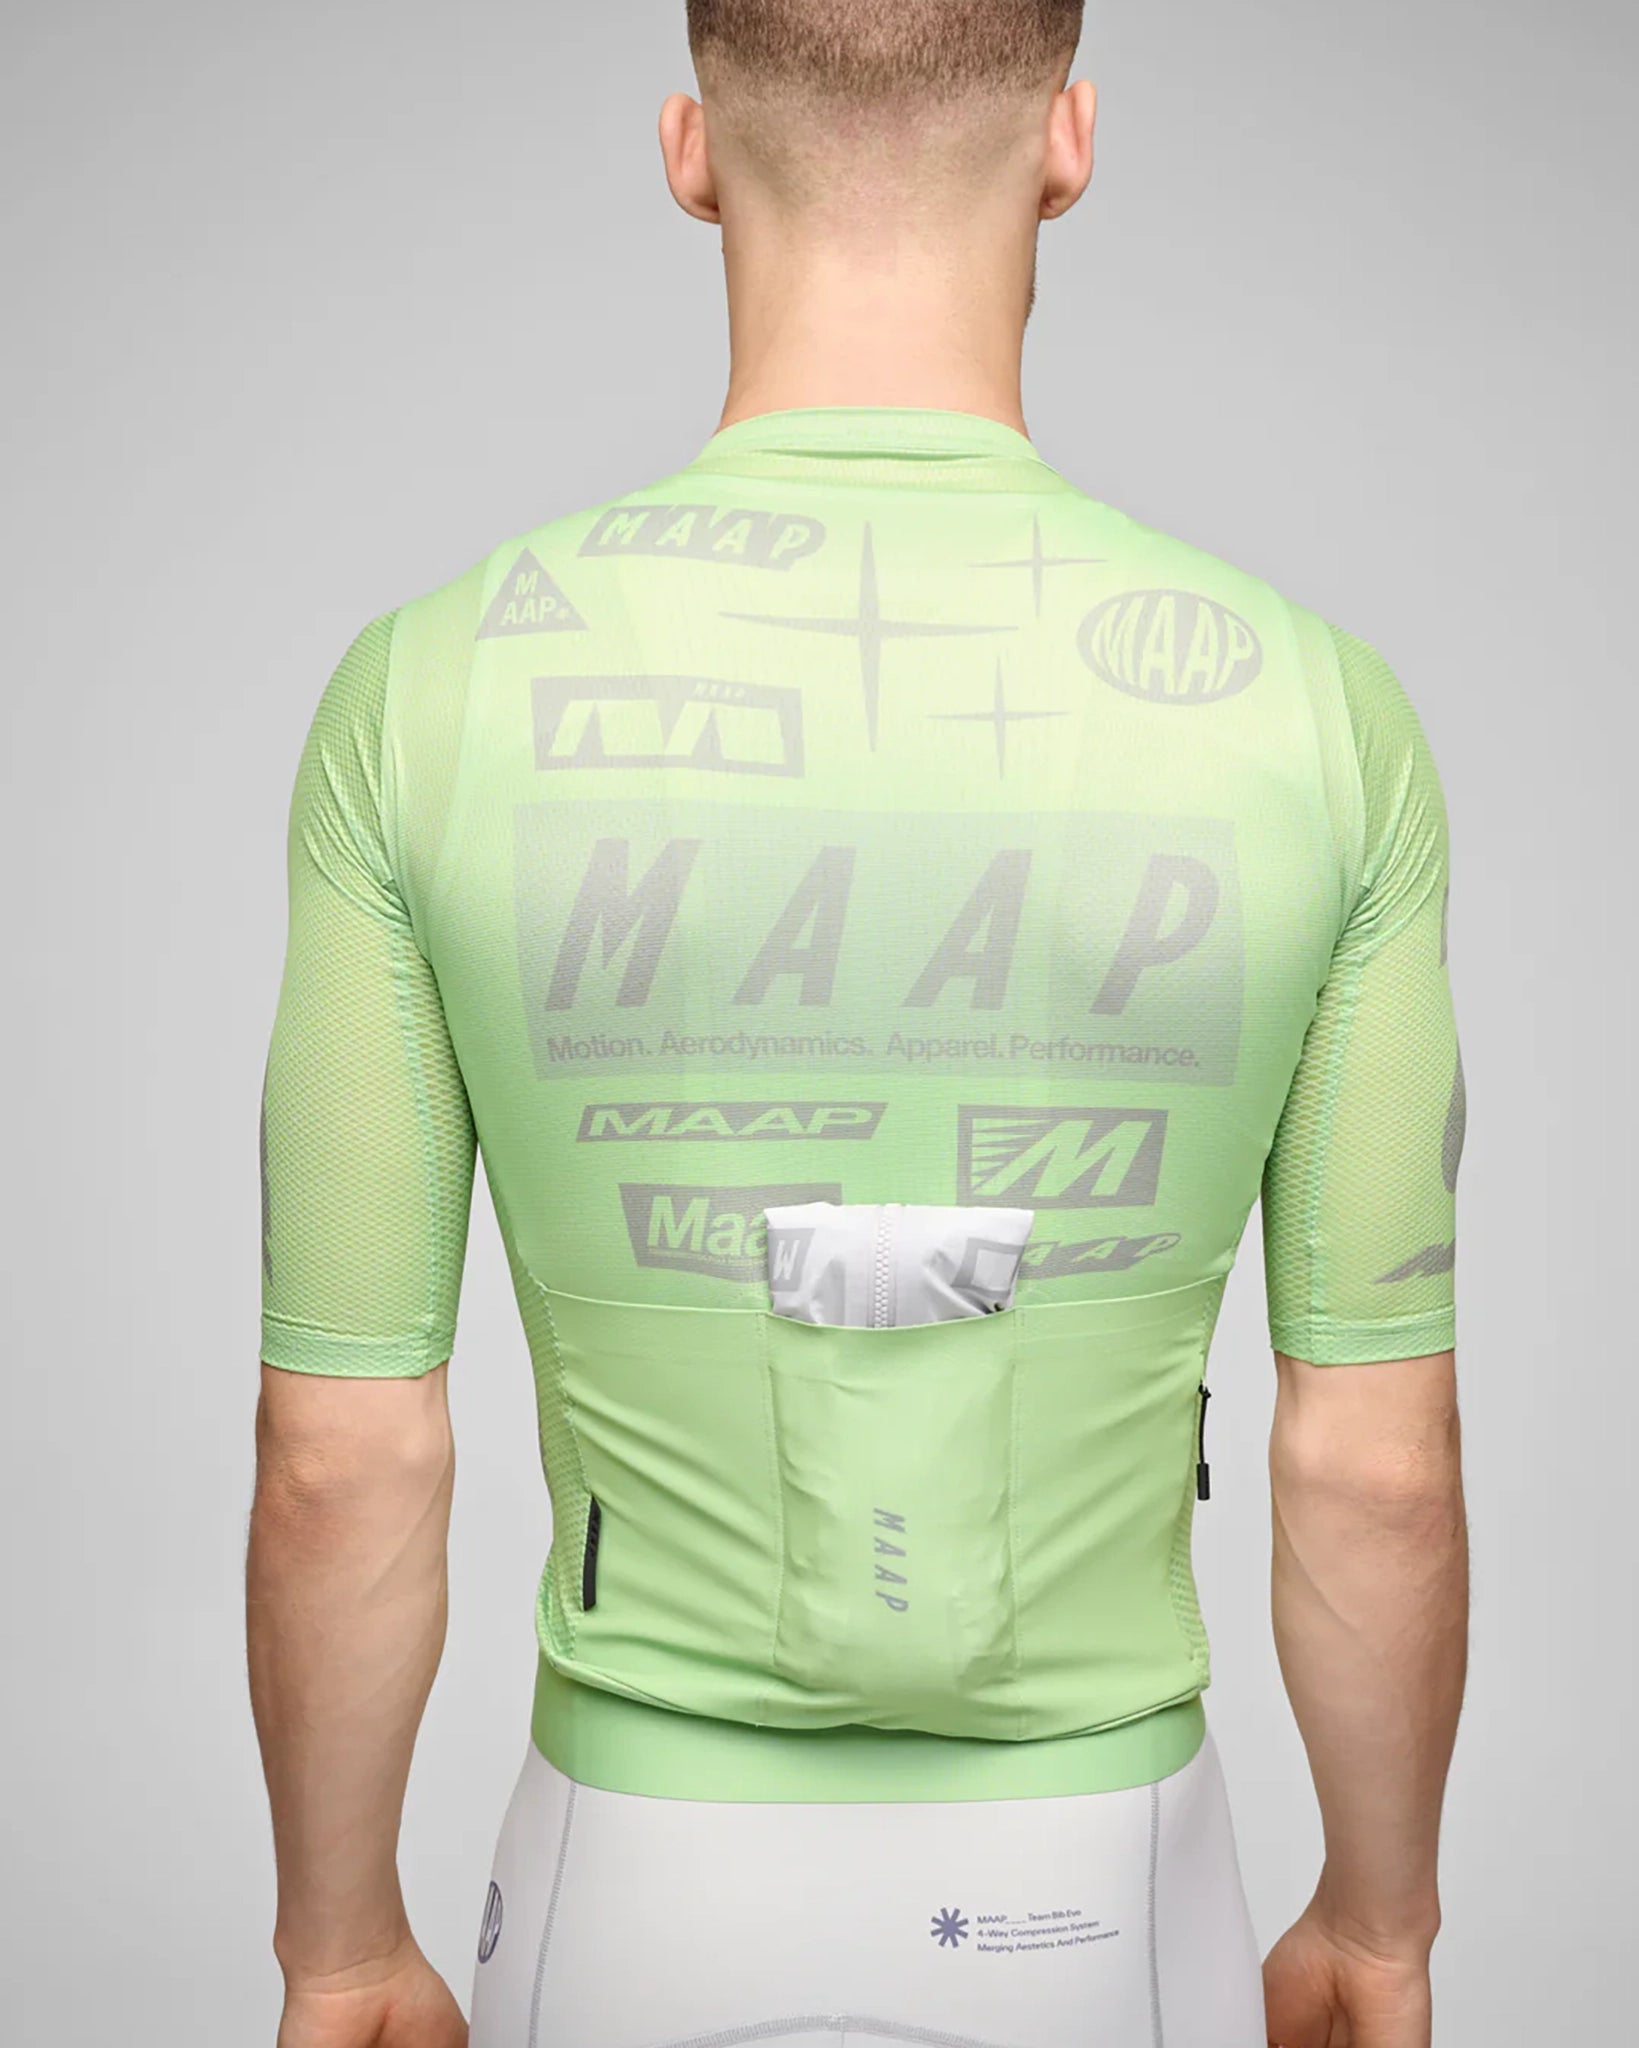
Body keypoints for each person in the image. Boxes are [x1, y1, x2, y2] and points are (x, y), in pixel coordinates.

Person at [247, 4, 1469, 2044]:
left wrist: (341, 1946)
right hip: (1105, 1892)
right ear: (1069, 140)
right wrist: (1380, 1921)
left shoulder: (422, 700)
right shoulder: (1319, 720)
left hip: (635, 1884)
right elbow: (1377, 1469)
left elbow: (338, 1454)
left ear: (690, 150)